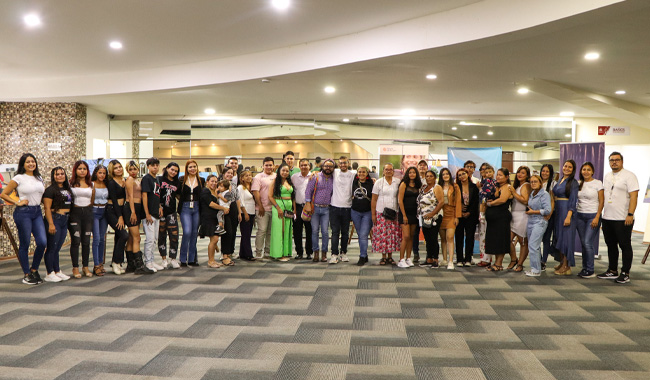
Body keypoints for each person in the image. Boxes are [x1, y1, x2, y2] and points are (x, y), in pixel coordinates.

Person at [1, 153, 46, 285]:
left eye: (33, 161)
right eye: (28, 162)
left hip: (37, 211)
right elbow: (4, 194)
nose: (31, 164)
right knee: (25, 243)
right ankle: (26, 274)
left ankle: (34, 269)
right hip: (23, 213)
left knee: (42, 242)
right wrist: (17, 202)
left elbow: (40, 195)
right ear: (23, 164)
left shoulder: (39, 178)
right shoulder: (18, 178)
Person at [597, 152, 639, 283]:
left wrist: (630, 214)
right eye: (611, 160)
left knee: (625, 245)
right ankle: (612, 270)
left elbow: (634, 196)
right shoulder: (607, 176)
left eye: (617, 160)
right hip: (608, 217)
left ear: (622, 161)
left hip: (623, 218)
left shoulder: (629, 176)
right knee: (611, 245)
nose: (614, 162)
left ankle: (625, 272)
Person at [41, 167, 72, 282]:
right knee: (51, 247)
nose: (60, 176)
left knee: (57, 247)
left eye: (62, 174)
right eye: (57, 174)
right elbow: (47, 208)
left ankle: (57, 271)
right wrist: (51, 224)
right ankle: (49, 273)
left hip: (64, 219)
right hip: (55, 219)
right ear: (53, 176)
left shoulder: (66, 188)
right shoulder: (50, 190)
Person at [124, 160, 154, 274]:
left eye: (134, 169)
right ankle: (139, 265)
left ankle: (131, 265)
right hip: (131, 208)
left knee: (132, 238)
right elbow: (130, 197)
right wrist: (132, 212)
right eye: (130, 169)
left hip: (137, 208)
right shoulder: (130, 180)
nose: (132, 171)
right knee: (137, 238)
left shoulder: (137, 180)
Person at [575, 162, 604, 278]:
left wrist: (597, 216)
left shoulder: (597, 183)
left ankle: (590, 270)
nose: (586, 172)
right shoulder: (578, 183)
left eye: (588, 169)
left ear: (592, 171)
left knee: (587, 242)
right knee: (583, 243)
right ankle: (585, 268)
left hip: (593, 216)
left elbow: (601, 201)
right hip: (580, 216)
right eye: (583, 169)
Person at [552, 160, 579, 276]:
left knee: (566, 239)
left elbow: (573, 201)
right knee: (559, 237)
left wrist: (568, 216)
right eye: (565, 166)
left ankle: (566, 266)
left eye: (570, 167)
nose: (567, 168)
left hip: (566, 211)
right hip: (558, 211)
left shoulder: (573, 182)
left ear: (573, 170)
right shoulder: (560, 180)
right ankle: (562, 261)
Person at [304, 159, 335, 262]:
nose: (328, 168)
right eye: (326, 166)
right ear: (323, 166)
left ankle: (324, 253)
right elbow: (308, 191)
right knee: (315, 231)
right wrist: (308, 204)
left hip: (327, 209)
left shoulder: (334, 178)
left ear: (333, 168)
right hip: (314, 208)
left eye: (330, 166)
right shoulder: (316, 177)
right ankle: (316, 252)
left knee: (325, 232)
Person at [371, 163, 402, 265]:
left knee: (392, 236)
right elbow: (374, 199)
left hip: (394, 213)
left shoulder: (397, 182)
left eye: (390, 169)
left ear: (393, 171)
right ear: (383, 171)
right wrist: (373, 214)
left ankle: (390, 257)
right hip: (381, 213)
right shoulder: (378, 183)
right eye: (386, 169)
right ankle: (383, 257)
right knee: (382, 236)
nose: (388, 171)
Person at [69, 160, 95, 278]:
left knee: (86, 241)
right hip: (75, 213)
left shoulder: (91, 184)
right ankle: (75, 268)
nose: (82, 171)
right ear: (76, 170)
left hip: (88, 214)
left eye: (84, 169)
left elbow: (92, 200)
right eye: (80, 169)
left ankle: (85, 267)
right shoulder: (70, 184)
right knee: (76, 241)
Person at [485, 168, 513, 271]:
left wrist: (490, 204)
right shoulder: (497, 187)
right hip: (494, 219)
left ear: (506, 177)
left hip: (501, 217)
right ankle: (497, 263)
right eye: (497, 175)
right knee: (495, 241)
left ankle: (498, 263)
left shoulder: (507, 187)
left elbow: (502, 200)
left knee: (500, 240)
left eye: (501, 175)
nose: (498, 177)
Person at [329, 156, 356, 264]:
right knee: (335, 232)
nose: (343, 165)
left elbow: (364, 175)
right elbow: (323, 170)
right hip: (334, 206)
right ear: (338, 164)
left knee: (345, 232)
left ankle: (343, 253)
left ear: (348, 163)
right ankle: (334, 254)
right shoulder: (334, 172)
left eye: (344, 163)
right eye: (340, 163)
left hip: (347, 207)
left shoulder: (353, 174)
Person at [524, 175, 552, 276]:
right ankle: (536, 267)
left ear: (540, 183)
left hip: (539, 222)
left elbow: (548, 210)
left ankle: (535, 270)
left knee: (533, 245)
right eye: (531, 182)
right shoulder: (532, 193)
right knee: (535, 246)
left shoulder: (544, 194)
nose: (533, 183)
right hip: (531, 221)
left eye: (535, 181)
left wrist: (534, 212)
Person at [178, 160, 203, 266]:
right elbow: (177, 194)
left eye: (194, 167)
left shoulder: (201, 180)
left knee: (194, 233)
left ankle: (192, 259)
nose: (192, 169)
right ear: (186, 169)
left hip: (197, 207)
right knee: (187, 232)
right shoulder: (181, 180)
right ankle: (182, 258)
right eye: (190, 167)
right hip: (185, 208)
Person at [106, 160, 129, 275]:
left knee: (118, 236)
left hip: (121, 210)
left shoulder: (124, 180)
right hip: (111, 211)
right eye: (116, 168)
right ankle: (116, 261)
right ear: (112, 170)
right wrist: (120, 216)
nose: (119, 169)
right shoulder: (111, 182)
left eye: (120, 167)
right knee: (124, 235)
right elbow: (114, 201)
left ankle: (118, 262)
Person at [141, 157, 164, 272]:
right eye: (152, 165)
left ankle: (152, 260)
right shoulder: (146, 179)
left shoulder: (157, 179)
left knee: (155, 238)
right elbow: (144, 196)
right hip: (148, 214)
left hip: (156, 213)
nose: (155, 167)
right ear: (148, 167)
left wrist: (159, 206)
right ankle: (148, 262)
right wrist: (147, 214)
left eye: (157, 165)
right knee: (149, 239)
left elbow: (157, 195)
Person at [199, 175, 226, 268]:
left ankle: (213, 260)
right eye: (212, 181)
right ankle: (210, 261)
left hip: (214, 218)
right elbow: (210, 204)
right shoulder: (205, 191)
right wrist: (223, 208)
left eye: (216, 182)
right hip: (208, 218)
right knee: (214, 239)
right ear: (207, 182)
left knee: (214, 239)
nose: (214, 183)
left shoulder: (215, 192)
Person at [269, 163, 295, 261]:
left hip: (288, 209)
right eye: (283, 170)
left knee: (287, 230)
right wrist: (278, 208)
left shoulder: (289, 181)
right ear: (279, 171)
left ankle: (285, 252)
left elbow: (292, 197)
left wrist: (294, 209)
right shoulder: (275, 182)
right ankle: (278, 254)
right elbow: (270, 196)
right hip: (278, 207)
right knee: (279, 230)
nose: (285, 172)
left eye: (287, 171)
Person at [418, 170, 444, 267]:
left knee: (433, 238)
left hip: (435, 217)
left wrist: (432, 213)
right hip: (424, 217)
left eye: (431, 176)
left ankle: (435, 259)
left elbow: (441, 202)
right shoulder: (424, 188)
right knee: (427, 238)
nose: (429, 178)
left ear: (435, 177)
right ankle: (429, 258)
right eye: (427, 176)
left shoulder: (437, 187)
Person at [397, 166, 422, 268]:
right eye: (410, 172)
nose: (412, 174)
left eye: (414, 172)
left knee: (412, 237)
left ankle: (408, 258)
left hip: (415, 214)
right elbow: (400, 200)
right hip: (405, 214)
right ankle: (401, 259)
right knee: (406, 236)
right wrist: (404, 215)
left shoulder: (418, 185)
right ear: (407, 174)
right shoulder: (403, 184)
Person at [252, 157, 277, 259]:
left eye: (270, 165)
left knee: (270, 232)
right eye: (266, 165)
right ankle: (258, 252)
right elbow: (255, 192)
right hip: (262, 209)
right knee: (261, 231)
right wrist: (261, 206)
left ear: (274, 166)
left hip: (274, 209)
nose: (268, 167)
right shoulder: (258, 177)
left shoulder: (276, 176)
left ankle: (267, 252)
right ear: (263, 166)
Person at [158, 162, 181, 269]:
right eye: (172, 169)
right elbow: (155, 195)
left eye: (176, 171)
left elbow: (178, 196)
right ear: (167, 168)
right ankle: (164, 259)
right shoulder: (159, 180)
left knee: (174, 236)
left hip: (171, 213)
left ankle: (173, 258)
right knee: (161, 236)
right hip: (161, 212)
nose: (173, 172)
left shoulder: (177, 182)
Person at [455, 168, 479, 267]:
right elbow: (454, 200)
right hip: (459, 215)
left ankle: (468, 259)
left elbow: (476, 201)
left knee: (470, 237)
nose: (462, 176)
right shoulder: (456, 187)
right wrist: (460, 210)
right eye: (459, 175)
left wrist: (469, 212)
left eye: (463, 174)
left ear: (468, 174)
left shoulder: (474, 186)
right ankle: (459, 259)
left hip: (471, 215)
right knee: (459, 237)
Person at [438, 168, 461, 270]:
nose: (445, 176)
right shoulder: (438, 186)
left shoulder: (455, 186)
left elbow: (458, 202)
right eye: (443, 174)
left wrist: (457, 216)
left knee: (450, 237)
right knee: (442, 238)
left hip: (451, 213)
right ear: (441, 176)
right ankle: (444, 259)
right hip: (440, 213)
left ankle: (451, 261)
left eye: (447, 174)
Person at [509, 166, 531, 271]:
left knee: (523, 242)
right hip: (514, 215)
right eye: (518, 172)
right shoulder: (518, 185)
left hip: (522, 216)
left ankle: (520, 264)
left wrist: (513, 193)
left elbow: (525, 201)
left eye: (522, 173)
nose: (519, 174)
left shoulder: (526, 185)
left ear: (527, 175)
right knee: (507, 240)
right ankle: (514, 259)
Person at [351, 166, 374, 266]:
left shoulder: (372, 183)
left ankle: (362, 256)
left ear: (367, 173)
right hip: (355, 211)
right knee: (360, 234)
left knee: (363, 234)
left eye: (363, 172)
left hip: (367, 212)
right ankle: (364, 255)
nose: (361, 174)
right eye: (359, 172)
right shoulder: (354, 181)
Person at [291, 159, 313, 260]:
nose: (304, 167)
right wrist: (294, 209)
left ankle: (309, 252)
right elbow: (292, 194)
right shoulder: (294, 177)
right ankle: (299, 252)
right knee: (297, 231)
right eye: (302, 165)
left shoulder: (314, 176)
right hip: (298, 207)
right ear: (299, 166)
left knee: (310, 230)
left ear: (309, 166)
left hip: (309, 207)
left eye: (306, 165)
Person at [220, 167, 242, 263]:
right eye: (228, 173)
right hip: (224, 207)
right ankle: (224, 252)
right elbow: (217, 194)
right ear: (224, 173)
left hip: (233, 207)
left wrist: (239, 212)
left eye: (231, 173)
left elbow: (237, 198)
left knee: (233, 231)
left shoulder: (233, 184)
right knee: (227, 231)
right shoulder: (219, 183)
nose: (230, 175)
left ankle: (230, 251)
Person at [91, 164, 109, 276]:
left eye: (104, 173)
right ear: (96, 173)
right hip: (94, 211)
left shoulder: (106, 184)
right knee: (96, 238)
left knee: (102, 238)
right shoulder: (92, 184)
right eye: (100, 173)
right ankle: (96, 264)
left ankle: (101, 263)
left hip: (104, 211)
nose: (102, 175)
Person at [477, 163, 497, 267]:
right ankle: (483, 257)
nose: (487, 173)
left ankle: (487, 258)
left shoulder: (495, 183)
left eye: (489, 171)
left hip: (490, 210)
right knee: (482, 234)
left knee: (487, 235)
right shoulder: (482, 183)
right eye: (485, 171)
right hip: (482, 210)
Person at [539, 164, 556, 271]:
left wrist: (549, 213)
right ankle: (538, 259)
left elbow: (553, 200)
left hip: (548, 214)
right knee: (536, 239)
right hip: (537, 214)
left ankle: (543, 261)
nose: (544, 173)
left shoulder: (553, 184)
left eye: (547, 171)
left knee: (546, 239)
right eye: (543, 171)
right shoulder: (537, 182)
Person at [412, 159, 429, 263]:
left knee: (428, 233)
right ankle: (415, 253)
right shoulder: (414, 179)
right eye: (420, 165)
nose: (422, 167)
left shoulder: (430, 179)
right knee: (415, 233)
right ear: (417, 168)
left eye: (424, 165)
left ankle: (429, 255)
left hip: (427, 210)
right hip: (415, 209)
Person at [237, 170, 256, 261]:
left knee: (247, 234)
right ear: (242, 178)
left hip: (252, 212)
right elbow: (241, 201)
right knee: (246, 234)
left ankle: (242, 253)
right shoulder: (241, 187)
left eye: (250, 175)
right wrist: (245, 213)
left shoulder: (251, 187)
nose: (249, 177)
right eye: (246, 176)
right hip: (245, 212)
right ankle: (249, 254)